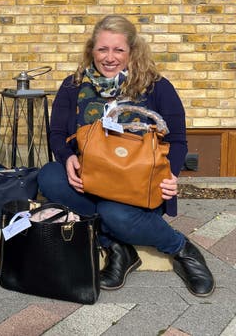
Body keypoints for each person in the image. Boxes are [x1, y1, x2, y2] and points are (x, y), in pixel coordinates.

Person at [37, 15, 214, 297]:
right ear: (91, 50)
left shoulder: (157, 87)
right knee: (48, 177)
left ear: (132, 51)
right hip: (91, 180)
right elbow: (57, 133)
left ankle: (181, 249)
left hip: (137, 185)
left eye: (118, 50)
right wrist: (67, 157)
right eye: (102, 49)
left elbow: (177, 140)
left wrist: (170, 175)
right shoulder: (73, 86)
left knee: (112, 211)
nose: (109, 57)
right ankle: (118, 246)